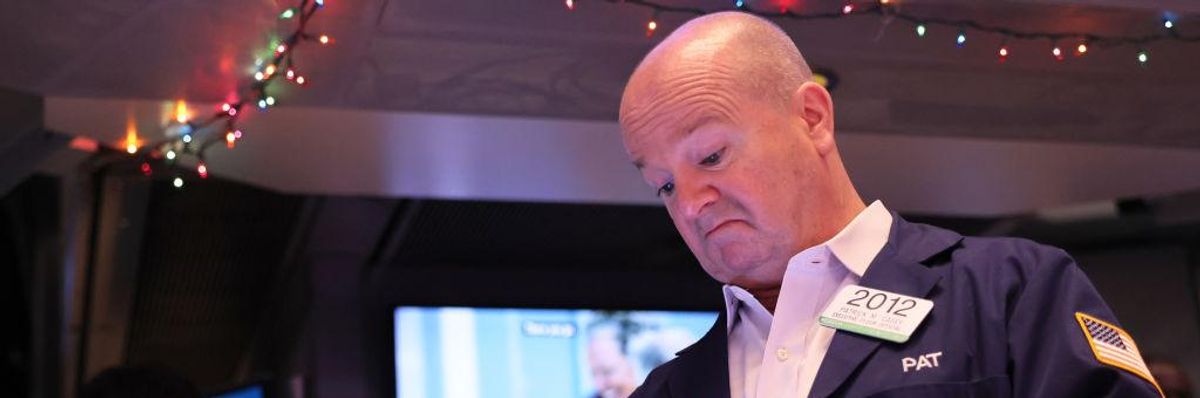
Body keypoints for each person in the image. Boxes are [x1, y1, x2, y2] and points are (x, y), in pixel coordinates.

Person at [617, 11, 1163, 398]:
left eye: (711, 156)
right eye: (664, 185)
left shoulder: (1009, 293)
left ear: (812, 119)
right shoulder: (669, 388)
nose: (689, 205)